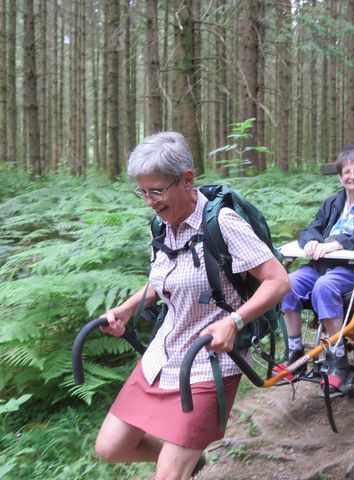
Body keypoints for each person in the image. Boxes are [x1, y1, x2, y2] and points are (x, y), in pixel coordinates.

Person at [94, 132, 290, 480]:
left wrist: (234, 320)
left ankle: (179, 464)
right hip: (164, 352)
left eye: (156, 191)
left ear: (187, 179)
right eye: (143, 191)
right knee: (110, 447)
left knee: (169, 476)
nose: (149, 202)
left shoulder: (223, 223)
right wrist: (125, 310)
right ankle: (188, 461)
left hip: (207, 361)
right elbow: (163, 279)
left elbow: (277, 281)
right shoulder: (163, 224)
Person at [276, 148, 354, 396]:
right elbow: (311, 228)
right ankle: (295, 352)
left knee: (324, 287)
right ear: (340, 177)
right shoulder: (332, 203)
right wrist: (311, 242)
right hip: (322, 265)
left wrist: (338, 242)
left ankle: (339, 362)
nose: (352, 176)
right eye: (347, 172)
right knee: (288, 283)